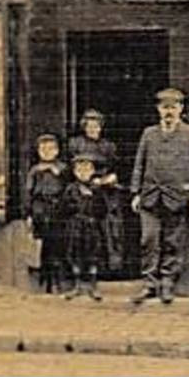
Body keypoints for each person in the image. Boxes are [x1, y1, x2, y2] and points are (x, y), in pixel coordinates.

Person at [130, 87, 189, 304]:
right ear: (158, 109)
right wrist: (136, 191)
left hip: (177, 197)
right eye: (165, 107)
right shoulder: (149, 134)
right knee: (148, 239)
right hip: (150, 196)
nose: (169, 112)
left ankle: (167, 282)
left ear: (181, 109)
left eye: (173, 107)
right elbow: (139, 163)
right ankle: (149, 282)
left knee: (173, 240)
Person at [67, 109, 125, 271]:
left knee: (110, 229)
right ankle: (82, 270)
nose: (93, 129)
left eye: (96, 126)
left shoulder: (108, 146)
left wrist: (108, 179)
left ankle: (109, 269)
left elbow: (116, 169)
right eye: (89, 126)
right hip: (83, 190)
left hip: (106, 192)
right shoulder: (76, 144)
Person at [24, 133, 68, 294]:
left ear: (57, 151)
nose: (47, 152)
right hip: (40, 210)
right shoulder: (35, 170)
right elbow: (28, 192)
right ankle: (45, 280)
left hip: (57, 210)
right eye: (43, 149)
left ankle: (58, 280)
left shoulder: (62, 169)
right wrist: (28, 214)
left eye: (51, 149)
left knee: (57, 245)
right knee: (44, 246)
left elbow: (68, 188)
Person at [61, 150, 107, 301]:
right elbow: (64, 208)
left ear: (93, 171)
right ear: (74, 172)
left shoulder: (97, 190)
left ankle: (93, 285)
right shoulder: (70, 189)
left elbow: (103, 209)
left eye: (87, 169)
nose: (83, 173)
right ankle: (77, 285)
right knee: (75, 254)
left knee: (93, 254)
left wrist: (93, 200)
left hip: (92, 227)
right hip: (75, 227)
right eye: (79, 170)